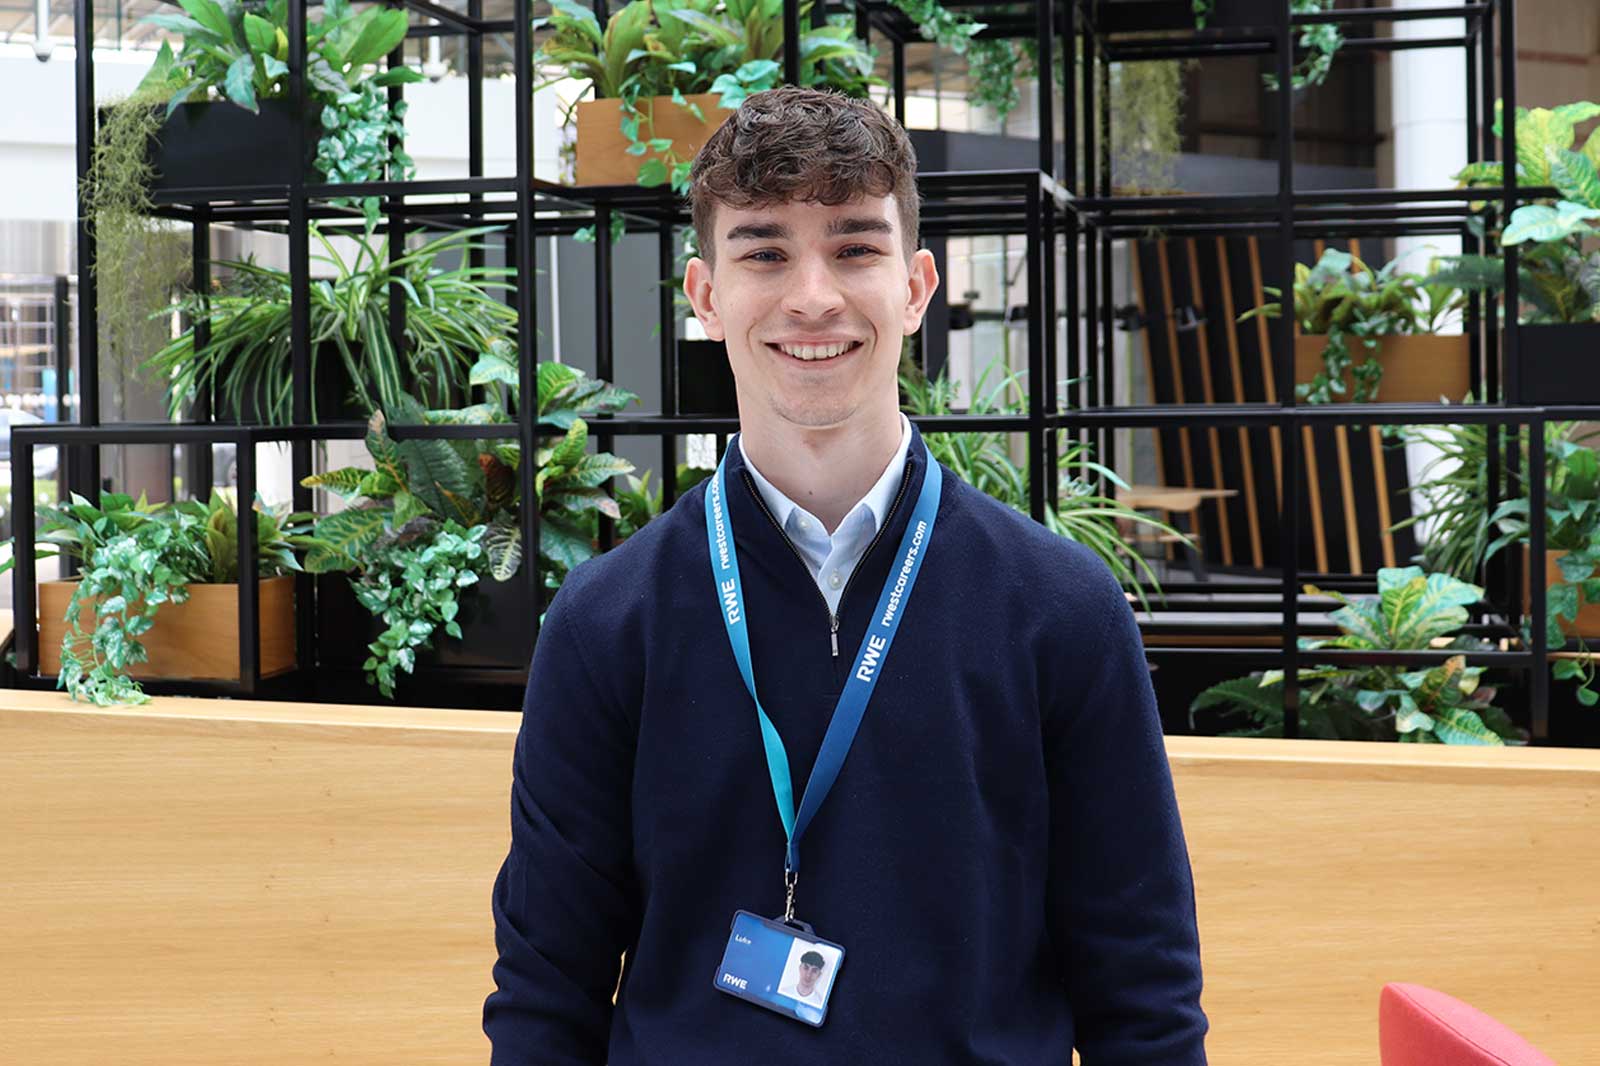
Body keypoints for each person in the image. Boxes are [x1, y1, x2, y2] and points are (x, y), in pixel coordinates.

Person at [484, 86, 1208, 1064]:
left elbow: (1143, 993)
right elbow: (545, 993)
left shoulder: (1060, 610)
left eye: (853, 246)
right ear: (705, 295)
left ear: (916, 286)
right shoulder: (608, 621)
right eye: (766, 250)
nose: (813, 294)